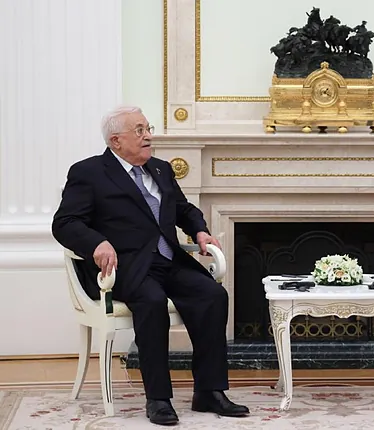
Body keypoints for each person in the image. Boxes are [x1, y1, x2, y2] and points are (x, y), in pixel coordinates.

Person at [52, 106, 250, 425]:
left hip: (168, 260)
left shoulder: (160, 169)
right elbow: (65, 223)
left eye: (148, 128)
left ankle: (208, 391)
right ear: (116, 141)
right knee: (152, 301)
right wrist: (97, 243)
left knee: (212, 295)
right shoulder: (89, 172)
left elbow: (183, 209)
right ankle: (158, 399)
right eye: (139, 130)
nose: (148, 136)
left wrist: (199, 230)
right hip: (126, 266)